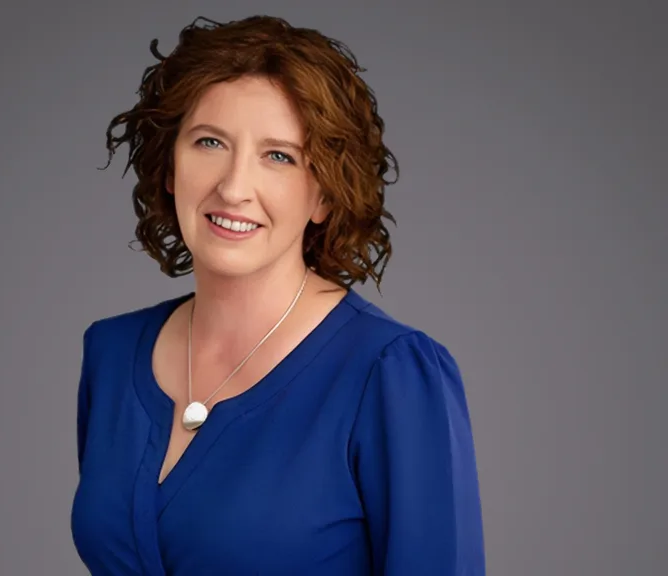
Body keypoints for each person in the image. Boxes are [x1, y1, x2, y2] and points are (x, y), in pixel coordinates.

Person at [71, 15, 485, 576]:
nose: (234, 187)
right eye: (210, 142)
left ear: (323, 195)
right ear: (171, 166)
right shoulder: (113, 354)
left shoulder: (389, 374)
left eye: (279, 156)